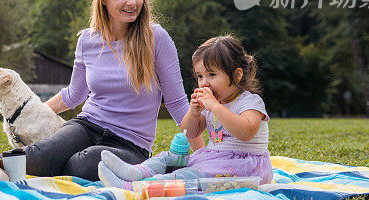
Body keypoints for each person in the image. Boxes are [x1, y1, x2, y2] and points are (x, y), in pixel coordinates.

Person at [24, 0, 201, 181]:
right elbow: (73, 95)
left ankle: (63, 170)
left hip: (130, 146)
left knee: (83, 164)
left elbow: (177, 104)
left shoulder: (157, 38)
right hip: (87, 126)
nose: (132, 2)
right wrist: (31, 113)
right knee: (38, 156)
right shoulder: (87, 40)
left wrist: (203, 156)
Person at [98, 35, 272, 189]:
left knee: (187, 177)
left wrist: (214, 107)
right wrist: (194, 112)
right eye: (200, 76)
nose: (204, 83)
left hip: (245, 167)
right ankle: (135, 173)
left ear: (237, 75)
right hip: (214, 159)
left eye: (211, 75)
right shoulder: (214, 103)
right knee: (167, 157)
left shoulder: (250, 101)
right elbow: (190, 132)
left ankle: (133, 187)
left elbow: (245, 132)